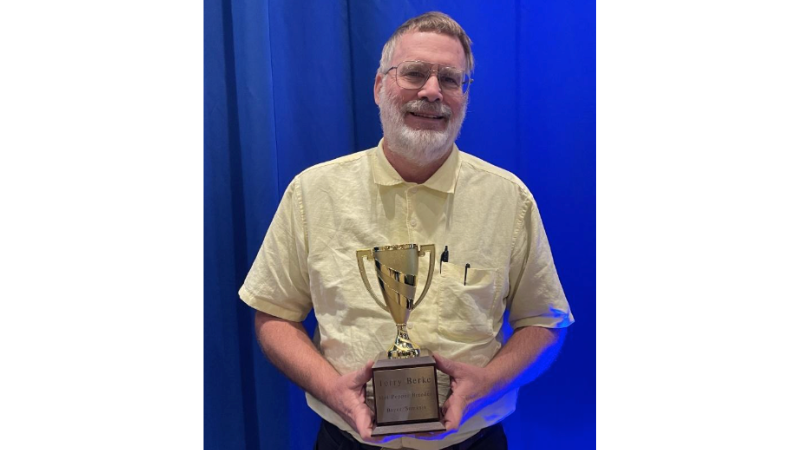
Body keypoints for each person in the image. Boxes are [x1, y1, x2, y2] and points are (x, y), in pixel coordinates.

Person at [239, 11, 574, 450]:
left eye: (451, 80)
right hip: (345, 441)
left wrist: (488, 382)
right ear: (379, 87)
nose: (432, 91)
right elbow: (274, 313)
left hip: (474, 442)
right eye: (414, 73)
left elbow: (545, 324)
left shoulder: (509, 201)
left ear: (464, 96)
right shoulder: (312, 193)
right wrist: (333, 390)